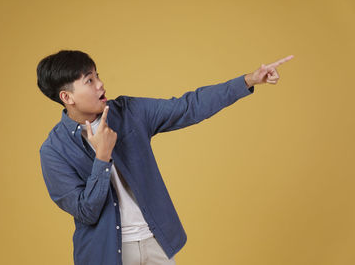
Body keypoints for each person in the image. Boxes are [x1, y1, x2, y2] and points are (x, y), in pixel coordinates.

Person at [37, 50, 293, 265]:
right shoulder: (54, 151)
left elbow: (188, 106)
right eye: (89, 81)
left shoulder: (129, 112)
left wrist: (248, 80)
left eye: (97, 76)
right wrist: (102, 157)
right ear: (67, 97)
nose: (101, 84)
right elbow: (86, 211)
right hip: (105, 254)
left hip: (155, 242)